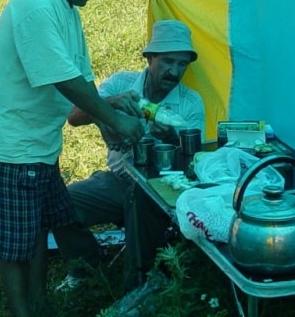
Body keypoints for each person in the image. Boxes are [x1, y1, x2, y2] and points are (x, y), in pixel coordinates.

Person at [0, 0, 145, 317]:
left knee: (39, 229)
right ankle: (23, 311)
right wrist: (115, 118)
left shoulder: (67, 11)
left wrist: (109, 111)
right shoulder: (36, 5)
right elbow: (62, 79)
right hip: (13, 146)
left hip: (39, 146)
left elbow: (81, 81)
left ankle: (39, 303)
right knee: (17, 243)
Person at [52, 19, 205, 291]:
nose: (174, 71)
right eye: (167, 61)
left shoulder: (190, 103)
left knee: (140, 200)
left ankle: (136, 286)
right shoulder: (121, 83)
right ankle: (86, 265)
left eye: (182, 64)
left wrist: (171, 137)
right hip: (120, 179)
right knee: (60, 203)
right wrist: (109, 104)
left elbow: (195, 163)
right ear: (149, 58)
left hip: (163, 190)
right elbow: (74, 117)